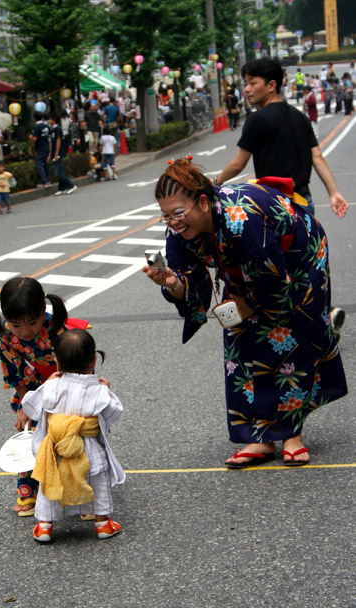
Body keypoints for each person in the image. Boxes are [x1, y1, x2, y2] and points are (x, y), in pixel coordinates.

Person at [143, 158, 347, 468]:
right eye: (166, 216)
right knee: (240, 344)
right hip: (248, 268)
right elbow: (190, 283)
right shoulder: (177, 230)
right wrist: (172, 283)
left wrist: (246, 305)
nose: (173, 222)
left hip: (300, 257)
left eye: (178, 213)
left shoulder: (242, 219)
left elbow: (273, 283)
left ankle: (292, 434)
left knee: (293, 336)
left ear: (202, 202)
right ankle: (258, 437)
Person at [21, 328, 125, 543]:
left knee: (50, 483)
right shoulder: (98, 390)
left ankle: (44, 526)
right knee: (96, 482)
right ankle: (103, 523)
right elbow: (112, 412)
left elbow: (31, 407)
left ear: (56, 360)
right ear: (93, 360)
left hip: (56, 447)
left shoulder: (52, 386)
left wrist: (46, 383)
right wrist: (108, 390)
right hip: (87, 447)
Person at [215, 58, 348, 219]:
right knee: (304, 244)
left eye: (253, 83)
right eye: (245, 84)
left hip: (275, 205)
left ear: (271, 85)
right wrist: (334, 193)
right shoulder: (301, 117)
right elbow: (317, 157)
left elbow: (237, 164)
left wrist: (216, 181)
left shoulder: (257, 120)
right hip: (304, 203)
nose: (247, 89)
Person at [0, 276, 70, 517]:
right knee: (29, 438)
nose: (25, 331)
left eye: (32, 323)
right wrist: (26, 407)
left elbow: (74, 368)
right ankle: (27, 491)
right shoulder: (5, 337)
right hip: (31, 390)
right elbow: (15, 373)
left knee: (66, 438)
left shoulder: (58, 330)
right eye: (16, 325)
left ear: (43, 310)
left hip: (64, 387)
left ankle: (73, 487)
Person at [48, 113, 77, 196]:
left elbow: (58, 140)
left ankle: (71, 185)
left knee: (58, 172)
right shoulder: (53, 129)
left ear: (53, 120)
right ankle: (62, 188)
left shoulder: (57, 129)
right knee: (58, 170)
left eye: (50, 119)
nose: (49, 121)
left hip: (59, 153)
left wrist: (57, 153)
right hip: (54, 153)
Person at [31, 112, 51, 188]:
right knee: (47, 164)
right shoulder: (46, 126)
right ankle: (48, 180)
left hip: (39, 148)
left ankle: (44, 181)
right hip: (47, 147)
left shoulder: (36, 127)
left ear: (35, 118)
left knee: (39, 165)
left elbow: (35, 138)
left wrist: (30, 137)